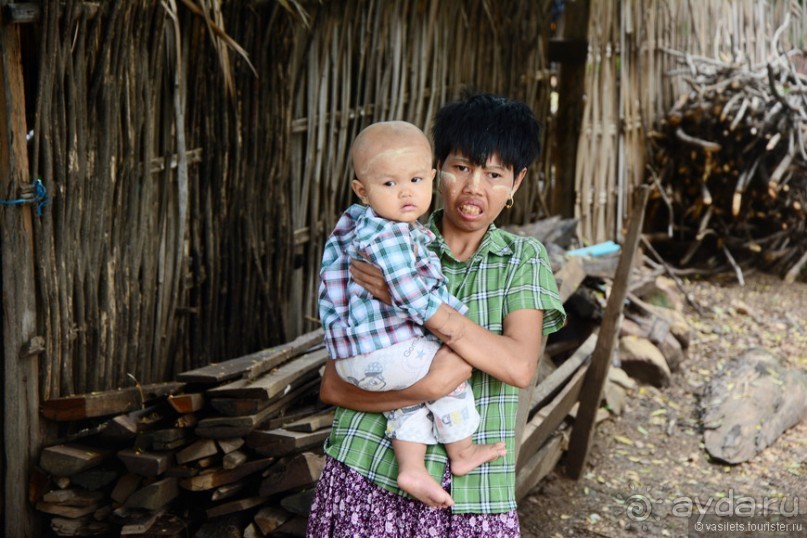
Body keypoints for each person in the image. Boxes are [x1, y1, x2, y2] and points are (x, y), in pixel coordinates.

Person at [308, 92, 567, 537]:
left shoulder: (521, 259)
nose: (473, 188)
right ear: (436, 170)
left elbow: (518, 366)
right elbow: (334, 385)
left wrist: (415, 304)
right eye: (461, 168)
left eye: (494, 174)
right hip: (368, 472)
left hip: (474, 496)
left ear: (517, 183)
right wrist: (428, 386)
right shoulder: (382, 243)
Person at [319, 120, 507, 509]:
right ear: (362, 190)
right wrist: (453, 317)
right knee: (453, 365)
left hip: (363, 359)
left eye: (416, 180)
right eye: (389, 184)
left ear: (431, 178)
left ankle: (411, 468)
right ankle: (462, 450)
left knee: (408, 402)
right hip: (379, 355)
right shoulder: (388, 234)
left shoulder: (362, 227)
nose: (406, 191)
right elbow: (413, 295)